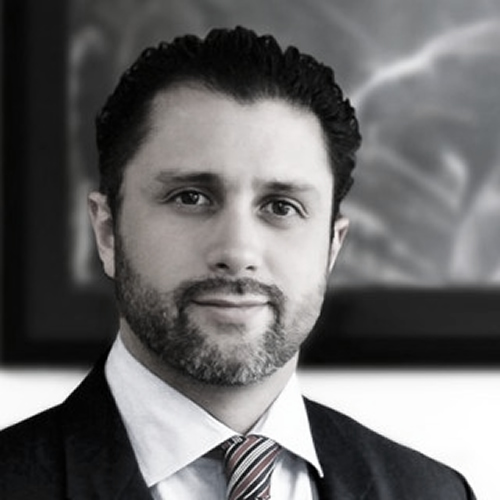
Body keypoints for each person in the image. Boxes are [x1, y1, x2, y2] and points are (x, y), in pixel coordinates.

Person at [0, 26, 475, 499]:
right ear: (107, 232)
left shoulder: (435, 492)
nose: (238, 252)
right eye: (190, 197)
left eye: (281, 206)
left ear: (332, 247)